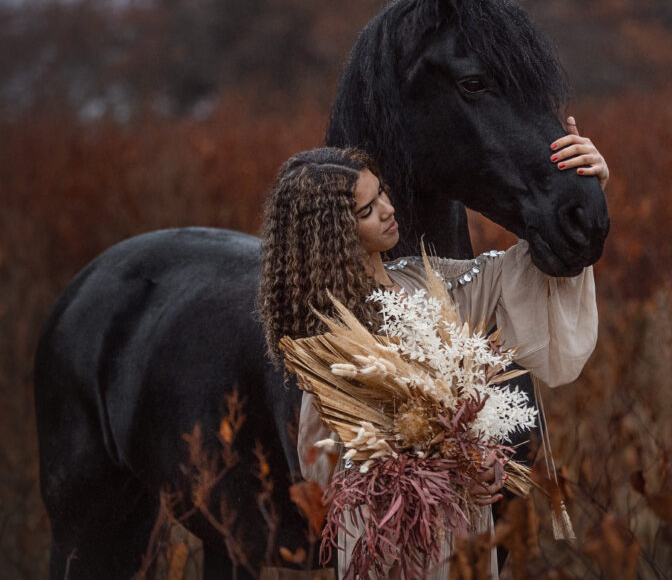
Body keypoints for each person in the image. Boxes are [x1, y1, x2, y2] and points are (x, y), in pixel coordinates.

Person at [257, 117, 607, 579]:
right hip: (387, 540)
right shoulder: (331, 337)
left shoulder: (427, 280)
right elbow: (323, 466)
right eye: (366, 210)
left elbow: (521, 273)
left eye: (381, 192)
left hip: (462, 533)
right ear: (330, 236)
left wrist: (581, 188)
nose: (387, 209)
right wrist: (453, 462)